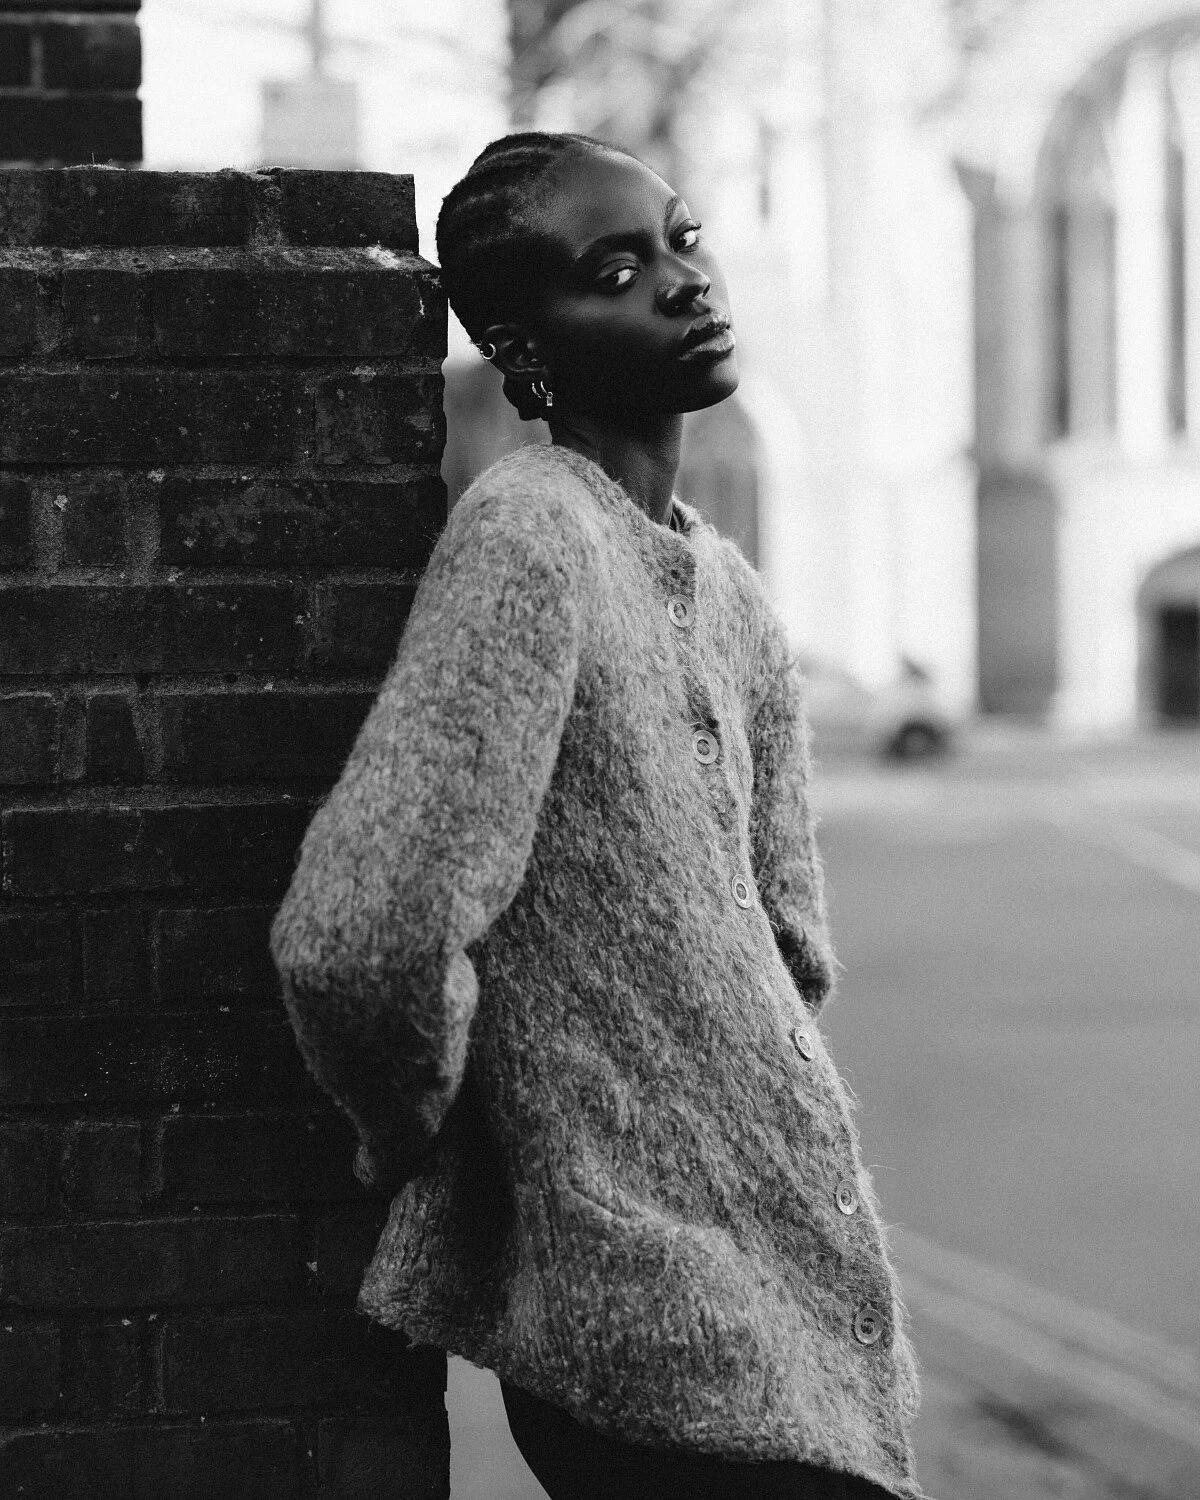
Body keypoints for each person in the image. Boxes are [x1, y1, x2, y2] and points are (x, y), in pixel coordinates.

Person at [271, 131, 923, 1500]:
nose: (685, 281)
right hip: (645, 1338)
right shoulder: (528, 535)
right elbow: (360, 935)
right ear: (525, 349)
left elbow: (786, 957)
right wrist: (426, 1134)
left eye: (682, 239)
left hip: (788, 1305)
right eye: (616, 271)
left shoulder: (731, 593)